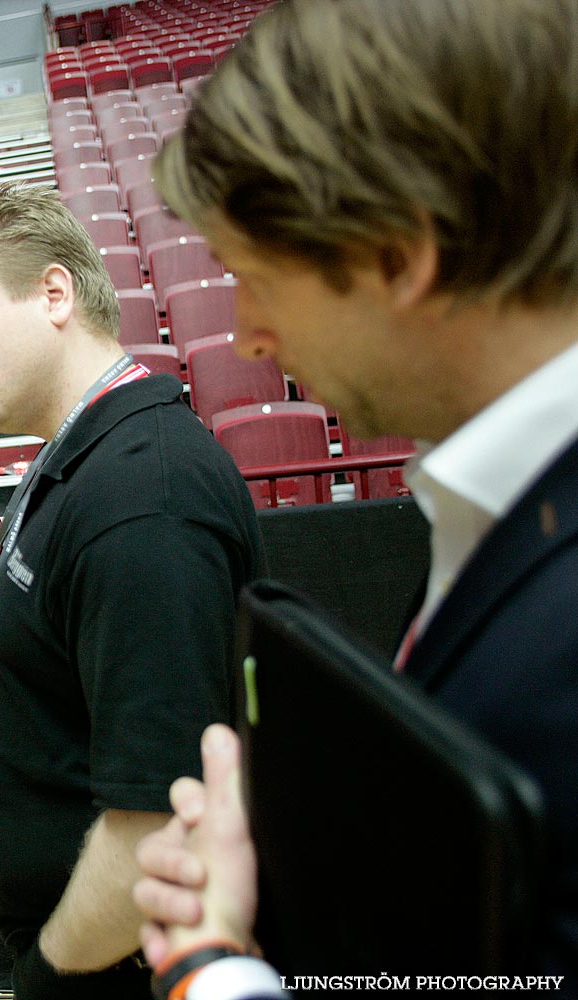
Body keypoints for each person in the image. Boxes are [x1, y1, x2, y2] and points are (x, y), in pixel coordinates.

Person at [129, 0, 578, 993]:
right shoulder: (500, 504)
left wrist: (210, 968)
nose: (243, 332)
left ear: (396, 251)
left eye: (255, 275)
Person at [0, 182, 263, 998]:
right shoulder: (81, 458)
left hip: (106, 967)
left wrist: (48, 971)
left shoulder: (142, 494)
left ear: (55, 294)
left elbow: (156, 818)